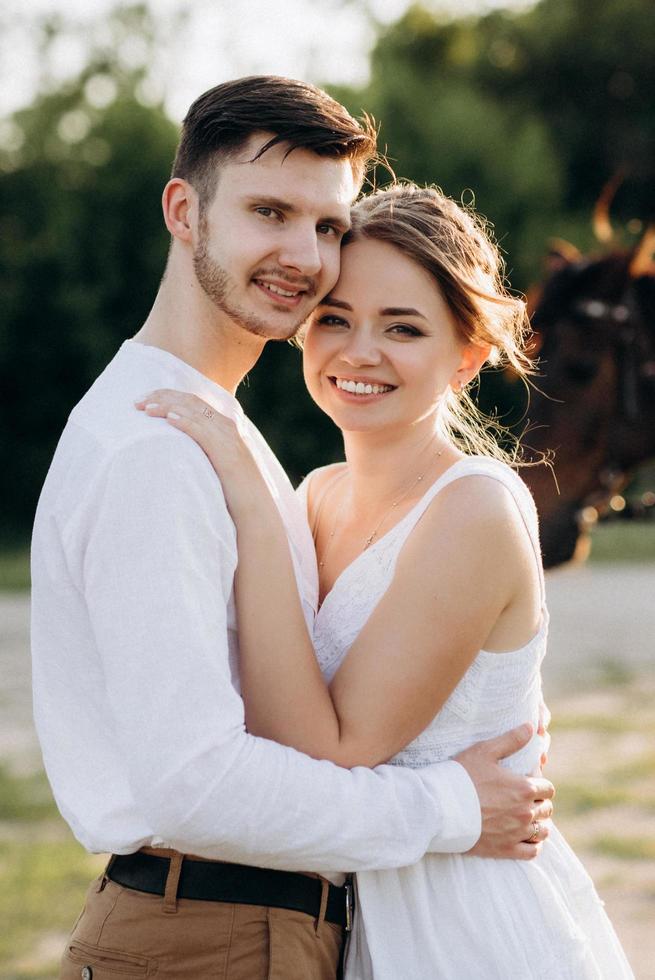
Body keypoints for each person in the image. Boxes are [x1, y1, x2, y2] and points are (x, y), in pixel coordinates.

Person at [31, 78, 554, 980]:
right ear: (183, 210)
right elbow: (194, 783)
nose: (303, 255)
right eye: (269, 211)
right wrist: (452, 807)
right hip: (212, 927)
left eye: (325, 226)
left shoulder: (219, 434)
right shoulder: (161, 449)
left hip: (316, 924)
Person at [138, 183, 634, 978]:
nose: (358, 352)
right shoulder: (314, 493)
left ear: (467, 356)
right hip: (326, 912)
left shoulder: (471, 510)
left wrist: (253, 513)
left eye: (401, 327)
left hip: (457, 929)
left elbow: (333, 750)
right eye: (334, 319)